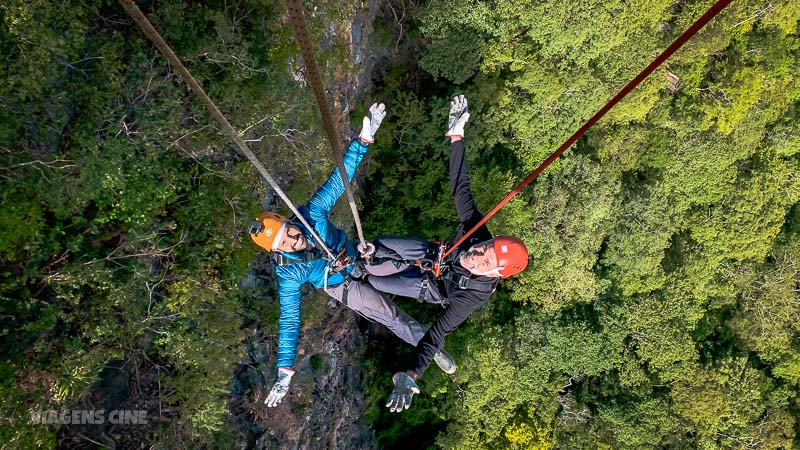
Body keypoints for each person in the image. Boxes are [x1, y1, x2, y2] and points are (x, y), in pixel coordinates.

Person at [248, 103, 455, 408]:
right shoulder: (288, 273)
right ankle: (430, 347)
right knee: (390, 316)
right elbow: (290, 320)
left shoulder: (312, 215)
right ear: (277, 251)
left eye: (289, 231)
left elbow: (337, 182)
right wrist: (284, 370)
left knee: (399, 265)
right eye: (284, 242)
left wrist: (363, 139)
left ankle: (447, 274)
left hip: (360, 258)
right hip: (343, 286)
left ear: (290, 221)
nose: (293, 240)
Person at [363, 96, 529, 412]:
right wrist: (456, 135)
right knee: (380, 246)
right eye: (484, 247)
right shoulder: (477, 234)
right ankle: (366, 257)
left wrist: (410, 374)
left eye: (485, 260)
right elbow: (460, 188)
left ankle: (365, 269)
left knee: (375, 281)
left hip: (428, 286)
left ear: (495, 274)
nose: (477, 253)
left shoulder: (473, 297)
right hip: (430, 255)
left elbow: (436, 334)